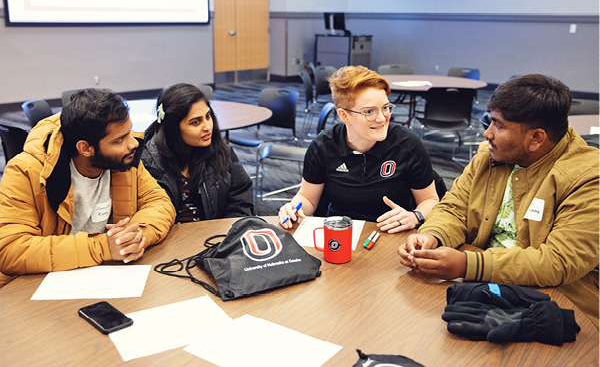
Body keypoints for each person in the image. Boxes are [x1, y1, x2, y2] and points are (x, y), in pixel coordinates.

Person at [398, 74, 599, 328]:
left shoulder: (589, 178)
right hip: (482, 287)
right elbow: (454, 208)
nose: (487, 133)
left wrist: (468, 265)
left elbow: (557, 262)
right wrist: (432, 235)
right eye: (489, 121)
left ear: (536, 138)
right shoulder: (489, 157)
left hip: (557, 302)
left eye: (499, 125)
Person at [0, 88, 176, 287]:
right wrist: (101, 247)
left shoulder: (124, 160)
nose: (133, 143)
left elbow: (159, 202)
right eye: (119, 139)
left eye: (129, 132)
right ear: (85, 148)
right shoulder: (25, 171)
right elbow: (11, 250)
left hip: (106, 279)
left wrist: (137, 236)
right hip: (38, 287)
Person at [278, 65, 440, 230]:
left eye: (385, 108)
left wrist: (415, 216)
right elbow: (308, 199)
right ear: (344, 115)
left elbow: (430, 200)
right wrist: (293, 208)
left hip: (391, 233)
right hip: (340, 232)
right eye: (369, 112)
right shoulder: (323, 147)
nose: (382, 118)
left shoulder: (407, 144)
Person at [141, 83, 253, 222]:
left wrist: (226, 235)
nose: (208, 126)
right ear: (173, 128)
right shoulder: (146, 163)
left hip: (216, 239)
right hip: (167, 241)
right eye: (195, 122)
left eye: (208, 116)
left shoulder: (222, 152)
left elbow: (241, 200)